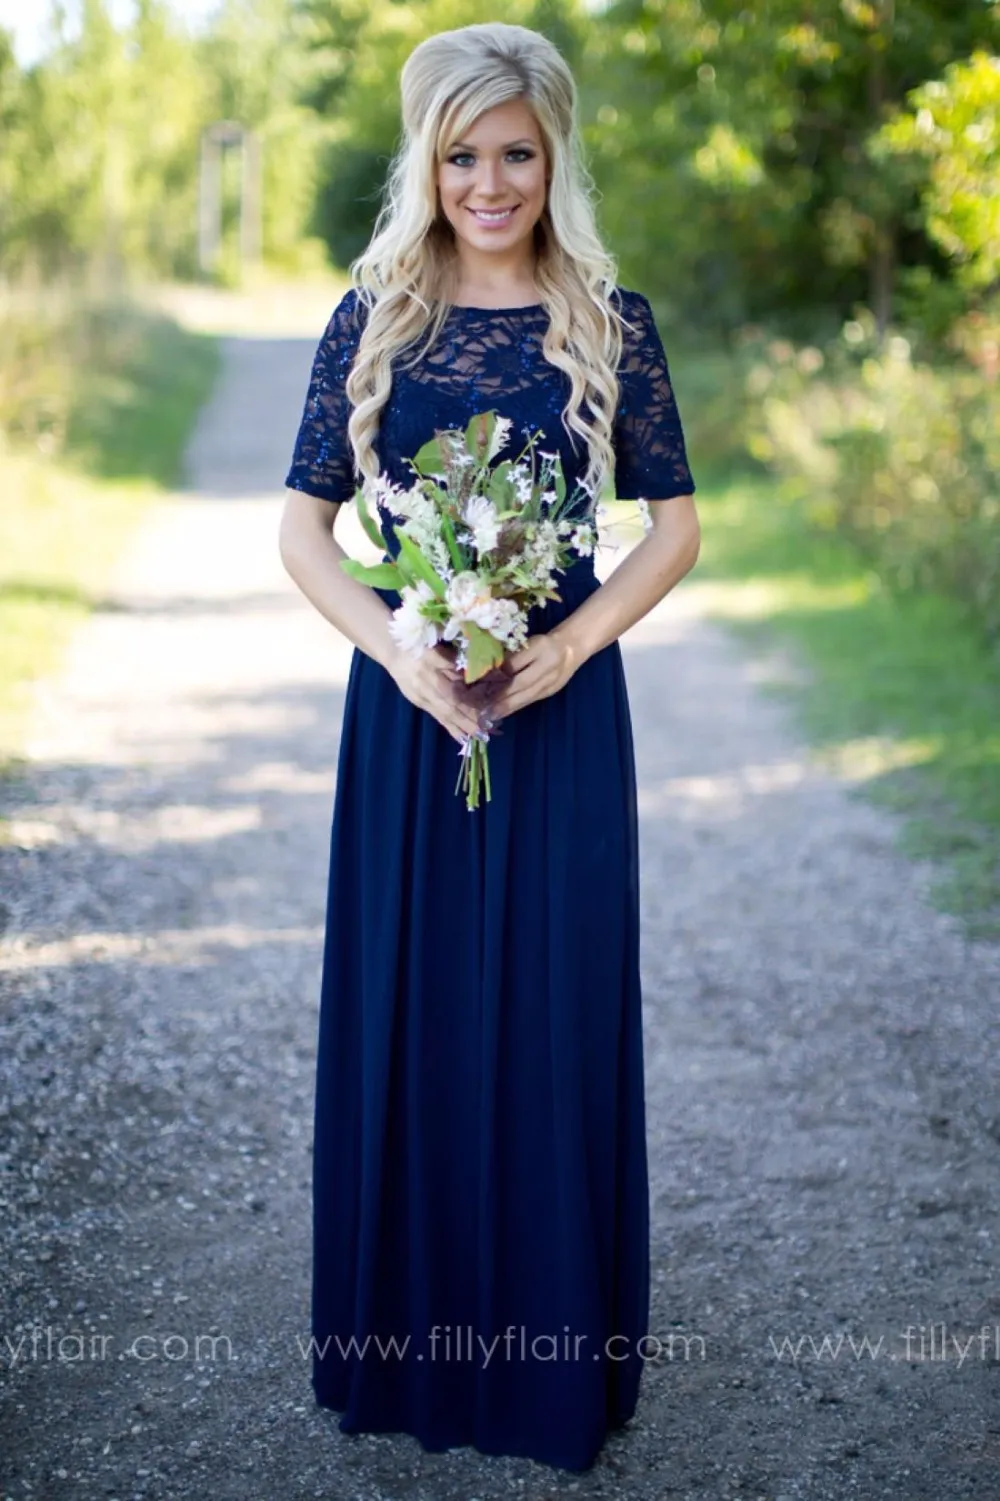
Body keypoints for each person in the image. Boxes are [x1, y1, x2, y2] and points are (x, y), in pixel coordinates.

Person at [278, 20, 700, 1474]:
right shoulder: (376, 316)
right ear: (428, 158)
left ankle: (546, 1365)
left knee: (553, 1011)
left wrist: (573, 646)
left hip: (562, 714)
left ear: (555, 155)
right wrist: (401, 653)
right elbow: (301, 529)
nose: (491, 181)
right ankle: (406, 1352)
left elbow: (679, 527)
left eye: (516, 152)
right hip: (411, 719)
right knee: (415, 1007)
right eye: (463, 154)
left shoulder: (610, 321)